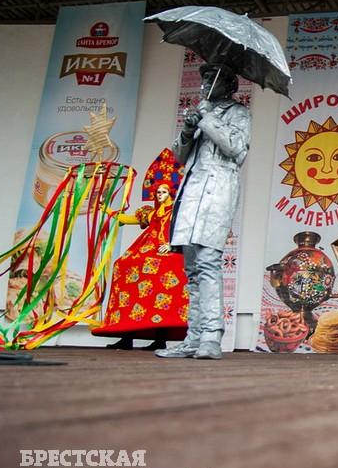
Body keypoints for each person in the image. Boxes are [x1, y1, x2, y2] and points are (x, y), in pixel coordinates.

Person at [156, 63, 251, 360]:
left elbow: (236, 148)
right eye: (204, 78)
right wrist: (188, 128)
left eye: (213, 78)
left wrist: (208, 118)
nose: (205, 83)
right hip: (191, 192)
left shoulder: (238, 113)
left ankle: (211, 336)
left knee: (208, 261)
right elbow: (178, 156)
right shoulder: (201, 111)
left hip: (217, 191)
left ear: (229, 85)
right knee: (192, 269)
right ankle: (193, 338)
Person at [92, 150, 189, 350]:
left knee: (162, 288)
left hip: (168, 252)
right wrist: (106, 209)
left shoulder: (178, 213)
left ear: (171, 193)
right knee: (123, 265)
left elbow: (187, 231)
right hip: (147, 250)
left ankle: (160, 339)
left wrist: (172, 246)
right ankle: (126, 335)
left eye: (163, 192)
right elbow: (128, 219)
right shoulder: (152, 213)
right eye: (158, 192)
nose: (159, 195)